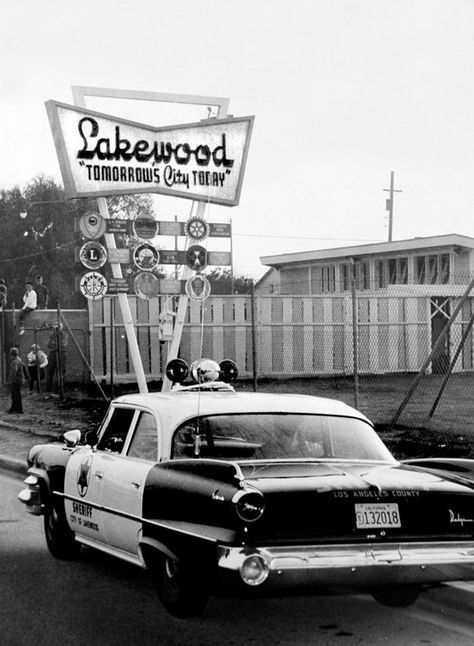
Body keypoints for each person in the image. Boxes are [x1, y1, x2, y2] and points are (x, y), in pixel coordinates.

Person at [46, 323, 68, 391]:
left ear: (61, 327)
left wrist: (55, 345)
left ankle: (60, 387)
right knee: (50, 370)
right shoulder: (52, 335)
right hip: (52, 354)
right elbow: (49, 344)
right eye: (55, 328)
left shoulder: (64, 334)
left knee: (61, 370)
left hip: (61, 353)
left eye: (58, 327)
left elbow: (63, 345)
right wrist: (56, 346)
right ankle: (48, 388)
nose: (56, 329)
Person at [7, 347, 27, 414]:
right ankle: (14, 408)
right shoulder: (18, 359)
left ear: (11, 353)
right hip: (19, 379)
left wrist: (10, 379)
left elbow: (14, 371)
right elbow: (24, 366)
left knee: (16, 395)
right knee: (15, 394)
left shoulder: (14, 361)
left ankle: (19, 409)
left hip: (16, 380)